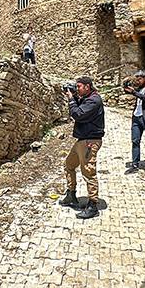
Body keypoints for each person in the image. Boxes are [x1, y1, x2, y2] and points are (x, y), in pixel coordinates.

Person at [58, 76, 105, 219]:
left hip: (90, 141)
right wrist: (75, 97)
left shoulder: (94, 100)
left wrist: (71, 99)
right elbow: (80, 106)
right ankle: (71, 195)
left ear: (87, 86)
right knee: (69, 165)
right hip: (82, 140)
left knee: (88, 172)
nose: (77, 89)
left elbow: (78, 114)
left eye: (79, 86)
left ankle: (93, 205)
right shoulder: (87, 98)